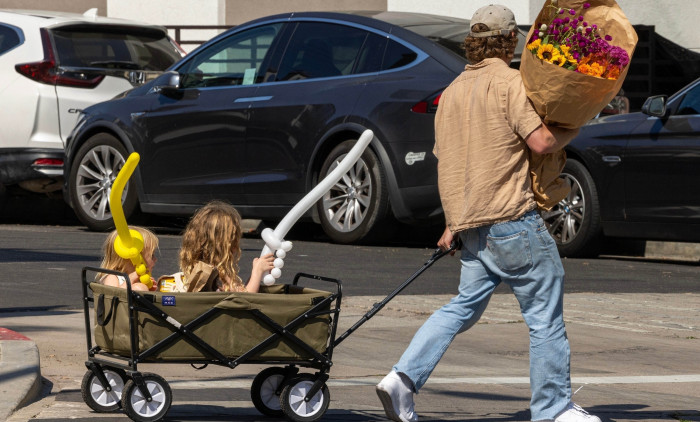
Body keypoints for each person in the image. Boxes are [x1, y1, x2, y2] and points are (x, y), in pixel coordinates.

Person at [376, 5, 600, 422]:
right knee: (544, 316)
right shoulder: (509, 83)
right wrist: (578, 122)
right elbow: (541, 142)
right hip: (513, 221)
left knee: (462, 307)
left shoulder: (452, 91)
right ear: (510, 40)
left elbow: (455, 161)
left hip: (473, 228)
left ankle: (401, 379)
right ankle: (553, 411)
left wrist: (451, 222)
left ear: (473, 42)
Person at [178, 200, 275, 292]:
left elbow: (241, 292)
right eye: (234, 239)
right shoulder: (214, 271)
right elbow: (245, 300)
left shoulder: (202, 267)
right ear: (225, 244)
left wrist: (256, 273)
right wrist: (257, 272)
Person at [98, 225, 158, 292]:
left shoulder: (141, 279)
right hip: (120, 302)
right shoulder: (112, 277)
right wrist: (131, 279)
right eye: (152, 255)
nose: (155, 259)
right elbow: (112, 298)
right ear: (131, 259)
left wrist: (150, 289)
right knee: (138, 287)